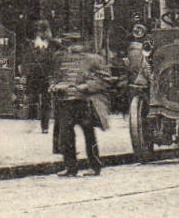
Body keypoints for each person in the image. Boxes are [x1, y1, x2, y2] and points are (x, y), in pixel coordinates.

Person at [50, 31, 112, 178]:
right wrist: (54, 86)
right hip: (65, 102)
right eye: (70, 43)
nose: (73, 47)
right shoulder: (60, 59)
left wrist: (87, 86)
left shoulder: (94, 60)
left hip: (85, 102)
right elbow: (53, 77)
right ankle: (70, 167)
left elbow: (106, 80)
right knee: (65, 136)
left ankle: (94, 166)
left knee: (89, 134)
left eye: (76, 43)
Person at [22, 21, 57, 133]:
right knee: (32, 99)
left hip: (46, 76)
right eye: (39, 31)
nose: (42, 34)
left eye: (43, 31)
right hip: (33, 76)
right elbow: (26, 60)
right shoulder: (31, 45)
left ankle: (44, 126)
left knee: (46, 102)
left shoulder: (52, 45)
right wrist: (25, 74)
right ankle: (31, 123)